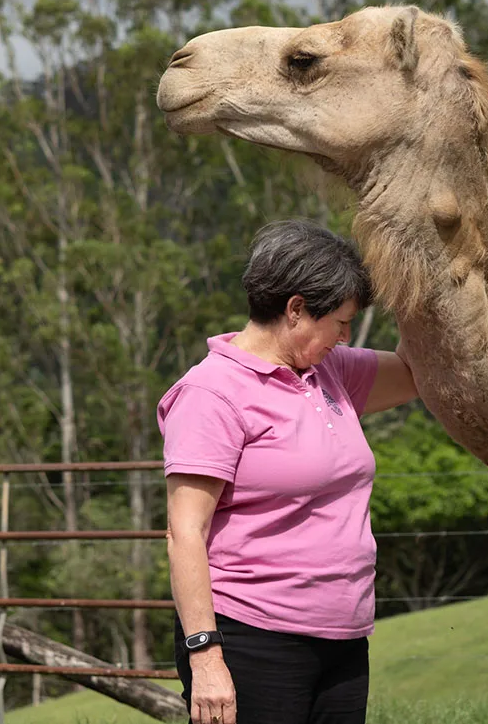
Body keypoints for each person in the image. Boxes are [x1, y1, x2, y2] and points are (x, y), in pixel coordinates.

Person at [157, 218, 419, 724]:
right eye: (340, 322)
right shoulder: (211, 394)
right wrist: (206, 657)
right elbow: (184, 531)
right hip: (250, 640)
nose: (345, 337)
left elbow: (417, 371)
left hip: (343, 639)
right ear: (295, 309)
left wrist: (422, 283)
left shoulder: (330, 371)